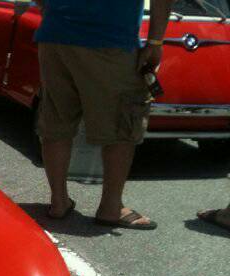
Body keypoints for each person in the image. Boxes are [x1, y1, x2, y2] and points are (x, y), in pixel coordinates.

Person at [34, 0, 174, 229]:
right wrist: (155, 42)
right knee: (122, 122)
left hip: (55, 36)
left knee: (57, 119)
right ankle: (111, 208)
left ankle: (59, 201)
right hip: (110, 40)